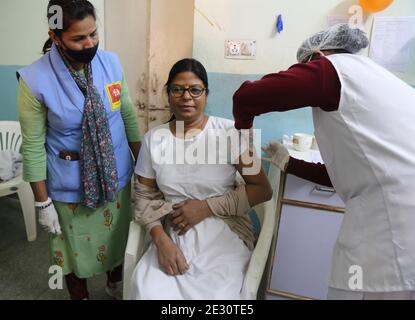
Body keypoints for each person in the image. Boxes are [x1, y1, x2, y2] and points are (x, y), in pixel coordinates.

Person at [232, 23, 415, 300]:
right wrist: (288, 162)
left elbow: (246, 97)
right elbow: (341, 174)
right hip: (400, 225)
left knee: (354, 290)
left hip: (390, 230)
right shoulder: (378, 80)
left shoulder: (330, 69)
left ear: (318, 55)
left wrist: (242, 143)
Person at [17, 0, 140, 300]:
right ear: (55, 36)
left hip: (115, 177)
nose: (89, 44)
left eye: (93, 34)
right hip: (69, 188)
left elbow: (127, 117)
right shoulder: (35, 80)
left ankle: (114, 283)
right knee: (71, 252)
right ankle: (79, 295)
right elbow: (32, 145)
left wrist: (146, 165)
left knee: (117, 239)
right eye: (78, 38)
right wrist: (42, 202)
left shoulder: (111, 63)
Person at [130, 58, 272, 299]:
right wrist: (161, 241)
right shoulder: (154, 139)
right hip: (173, 232)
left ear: (206, 94)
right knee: (148, 292)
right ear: (168, 93)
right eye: (178, 89)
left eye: (195, 89)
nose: (187, 96)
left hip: (223, 231)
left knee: (219, 297)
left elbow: (262, 189)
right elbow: (144, 198)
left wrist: (206, 207)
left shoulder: (230, 134)